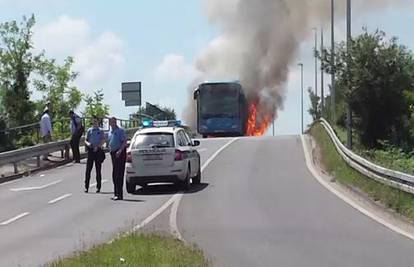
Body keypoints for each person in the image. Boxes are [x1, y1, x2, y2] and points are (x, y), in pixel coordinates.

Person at [84, 116, 106, 193]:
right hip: (91, 150)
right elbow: (86, 140)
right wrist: (88, 144)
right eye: (94, 121)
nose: (95, 122)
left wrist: (98, 146)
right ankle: (86, 186)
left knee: (98, 170)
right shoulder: (89, 130)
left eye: (96, 121)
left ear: (98, 122)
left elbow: (103, 140)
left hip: (98, 151)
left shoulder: (100, 131)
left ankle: (98, 187)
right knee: (88, 170)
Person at [108, 117, 128, 200]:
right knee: (114, 174)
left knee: (119, 174)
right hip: (113, 153)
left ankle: (119, 194)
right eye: (111, 122)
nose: (112, 123)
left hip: (119, 153)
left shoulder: (120, 131)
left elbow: (124, 142)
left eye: (114, 122)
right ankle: (116, 193)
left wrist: (120, 150)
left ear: (116, 122)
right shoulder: (110, 132)